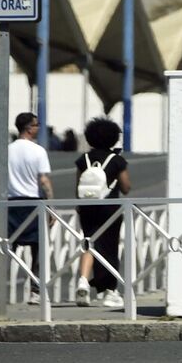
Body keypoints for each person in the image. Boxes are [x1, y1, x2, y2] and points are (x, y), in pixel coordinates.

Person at [74, 117, 131, 308]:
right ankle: (110, 292)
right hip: (110, 210)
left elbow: (78, 185)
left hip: (87, 208)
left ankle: (83, 280)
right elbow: (126, 187)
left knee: (88, 243)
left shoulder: (84, 159)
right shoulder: (116, 160)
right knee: (109, 248)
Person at [6, 112, 53, 305]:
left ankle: (1, 289)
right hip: (33, 203)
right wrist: (51, 207)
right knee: (39, 249)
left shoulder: (6, 150)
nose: (38, 128)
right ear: (29, 128)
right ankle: (36, 291)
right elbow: (43, 181)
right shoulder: (38, 151)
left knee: (7, 248)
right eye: (37, 124)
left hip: (10, 203)